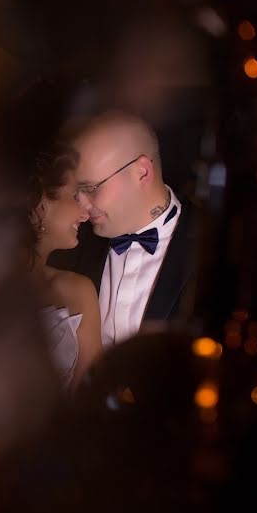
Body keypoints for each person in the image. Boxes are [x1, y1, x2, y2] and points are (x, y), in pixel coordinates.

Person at [51, 111, 198, 348]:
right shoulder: (68, 246)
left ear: (142, 172)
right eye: (77, 192)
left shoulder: (212, 247)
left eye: (91, 188)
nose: (82, 205)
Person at [27, 144, 102, 392]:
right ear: (39, 206)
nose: (85, 213)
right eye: (74, 196)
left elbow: (91, 402)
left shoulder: (78, 291)